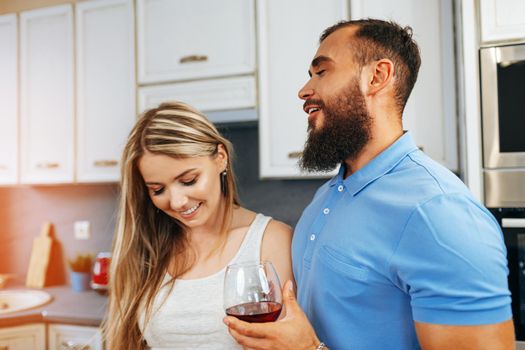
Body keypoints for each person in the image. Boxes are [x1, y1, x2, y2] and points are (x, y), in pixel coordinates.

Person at [224, 19, 515, 349]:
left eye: (321, 72)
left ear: (377, 76)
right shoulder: (328, 195)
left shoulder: (437, 211)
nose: (304, 90)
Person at [104, 101, 293, 349]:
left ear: (221, 158)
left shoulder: (270, 240)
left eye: (189, 180)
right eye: (158, 189)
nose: (178, 202)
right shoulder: (151, 247)